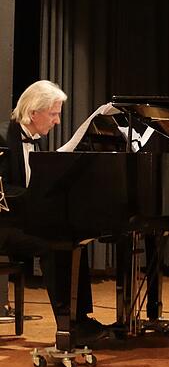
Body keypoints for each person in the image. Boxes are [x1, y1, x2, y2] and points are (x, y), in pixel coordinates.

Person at [0, 80, 109, 345]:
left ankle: (80, 318)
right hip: (4, 224)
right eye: (54, 113)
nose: (57, 121)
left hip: (21, 220)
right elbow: (7, 190)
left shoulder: (34, 142)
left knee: (74, 238)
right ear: (34, 112)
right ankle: (66, 325)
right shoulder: (3, 138)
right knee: (51, 245)